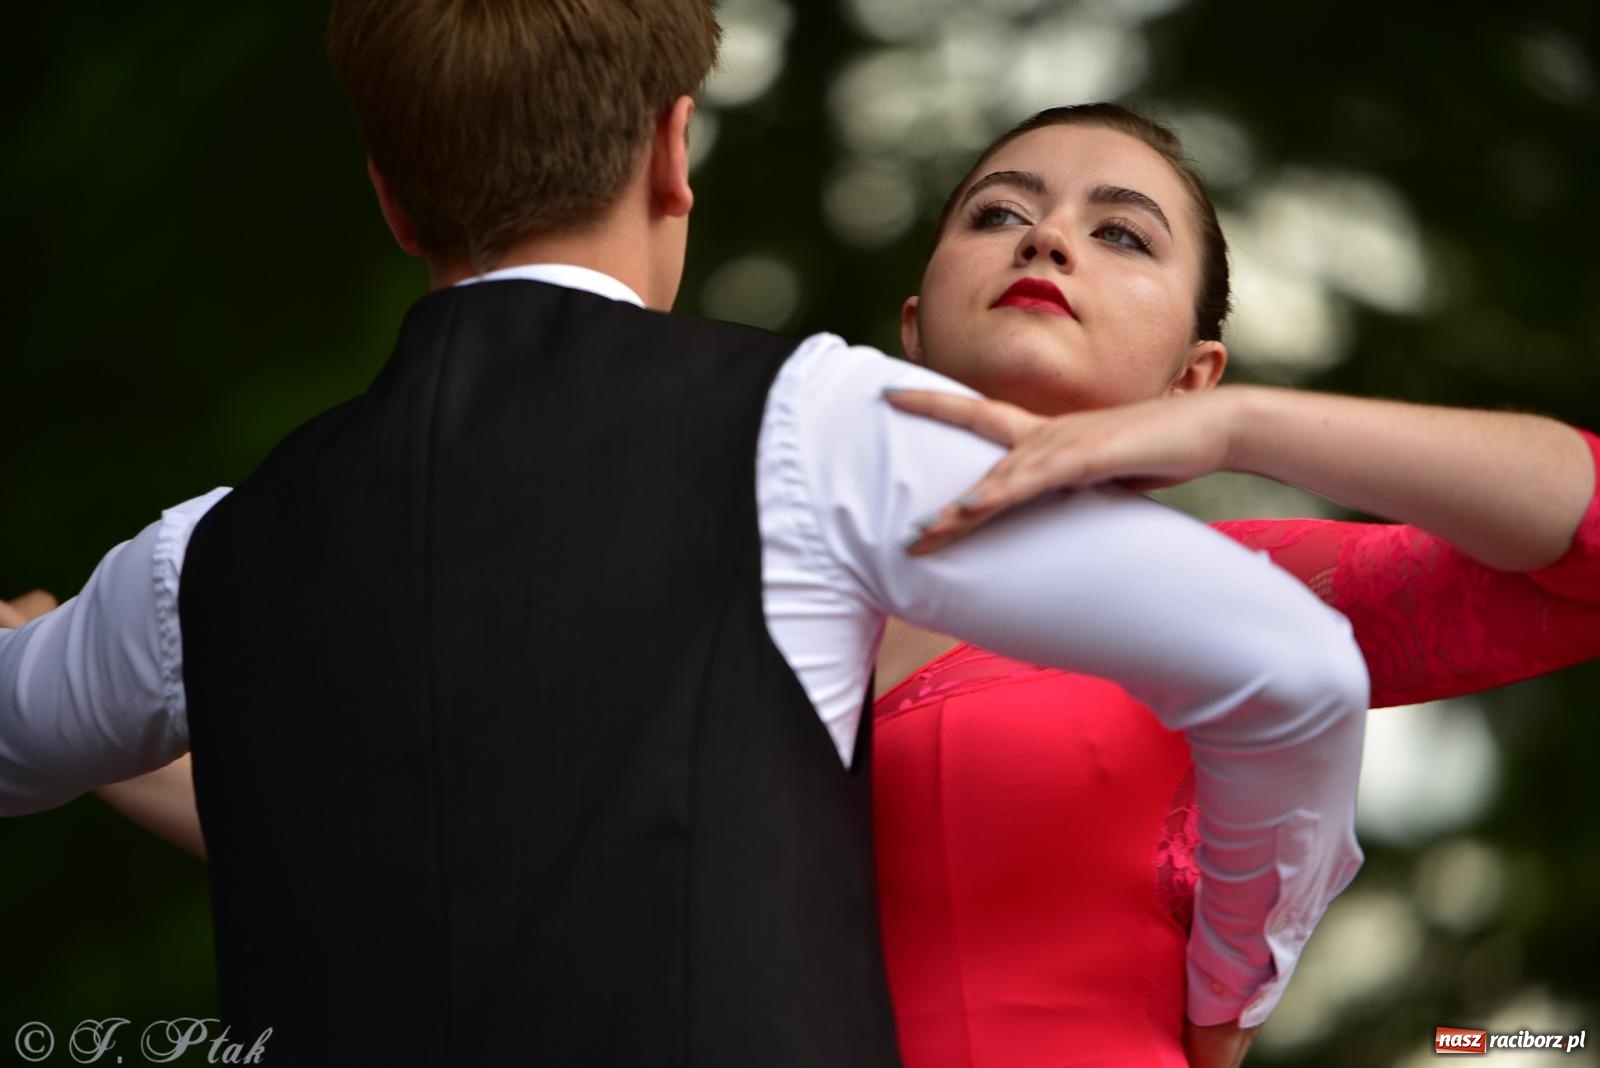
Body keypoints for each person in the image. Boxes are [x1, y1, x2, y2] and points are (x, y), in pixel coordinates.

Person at [0, 7, 1368, 1067]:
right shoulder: (811, 432)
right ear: (674, 149)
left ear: (394, 200)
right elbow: (1294, 669)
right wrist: (1227, 988)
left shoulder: (207, 557)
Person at [868, 104, 1600, 1067]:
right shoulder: (744, 563)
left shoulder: (1237, 590)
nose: (1045, 239)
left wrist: (1244, 430)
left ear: (1191, 376)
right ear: (914, 328)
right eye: (998, 215)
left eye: (1121, 232)